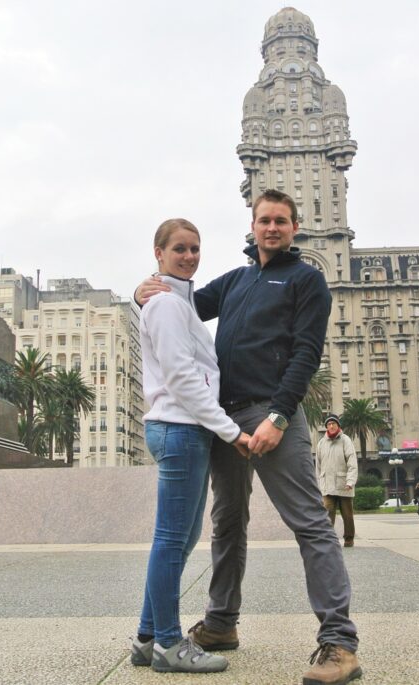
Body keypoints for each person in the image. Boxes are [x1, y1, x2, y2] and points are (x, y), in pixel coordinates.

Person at [137, 189, 361, 685]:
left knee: (309, 522)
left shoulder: (305, 280)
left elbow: (306, 352)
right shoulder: (236, 280)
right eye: (264, 220)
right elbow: (182, 301)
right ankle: (220, 624)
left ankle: (340, 643)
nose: (272, 228)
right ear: (253, 226)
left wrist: (280, 416)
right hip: (223, 420)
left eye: (281, 220)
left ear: (294, 228)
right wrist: (141, 292)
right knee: (228, 523)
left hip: (271, 415)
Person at [130, 218, 252, 674]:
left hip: (186, 428)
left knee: (180, 539)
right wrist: (230, 430)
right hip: (180, 427)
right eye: (179, 249)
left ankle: (146, 637)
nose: (189, 256)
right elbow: (181, 376)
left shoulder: (177, 303)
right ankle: (166, 643)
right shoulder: (164, 305)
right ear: (158, 254)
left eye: (195, 248)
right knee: (171, 540)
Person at [315, 414, 358, 547]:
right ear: (326, 427)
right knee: (327, 513)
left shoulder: (346, 440)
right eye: (329, 424)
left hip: (344, 485)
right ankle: (328, 539)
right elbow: (318, 466)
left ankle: (349, 538)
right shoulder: (321, 443)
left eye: (333, 423)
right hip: (327, 486)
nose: (331, 426)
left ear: (338, 426)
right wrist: (319, 484)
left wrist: (350, 481)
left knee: (347, 515)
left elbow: (352, 462)